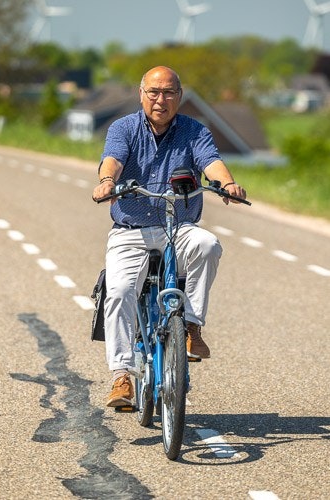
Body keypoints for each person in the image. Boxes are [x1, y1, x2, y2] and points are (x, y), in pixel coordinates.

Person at [92, 66, 246, 407]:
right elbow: (112, 161)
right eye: (154, 92)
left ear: (179, 95)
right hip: (130, 229)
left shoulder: (194, 131)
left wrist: (228, 183)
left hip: (179, 226)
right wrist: (106, 182)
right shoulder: (124, 128)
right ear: (141, 94)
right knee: (118, 292)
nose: (161, 100)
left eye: (169, 92)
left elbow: (211, 163)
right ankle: (121, 376)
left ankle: (191, 327)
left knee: (208, 244)